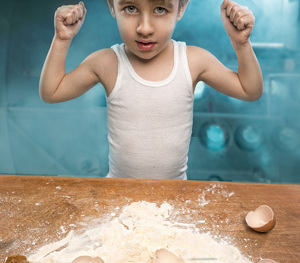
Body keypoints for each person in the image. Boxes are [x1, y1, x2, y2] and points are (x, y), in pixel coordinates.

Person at [40, 0, 263, 180]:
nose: (144, 28)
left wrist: (241, 44)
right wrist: (62, 39)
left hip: (174, 195)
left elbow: (249, 90)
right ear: (111, 6)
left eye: (159, 9)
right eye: (130, 8)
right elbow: (52, 92)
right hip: (117, 193)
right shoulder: (107, 62)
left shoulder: (193, 60)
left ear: (181, 7)